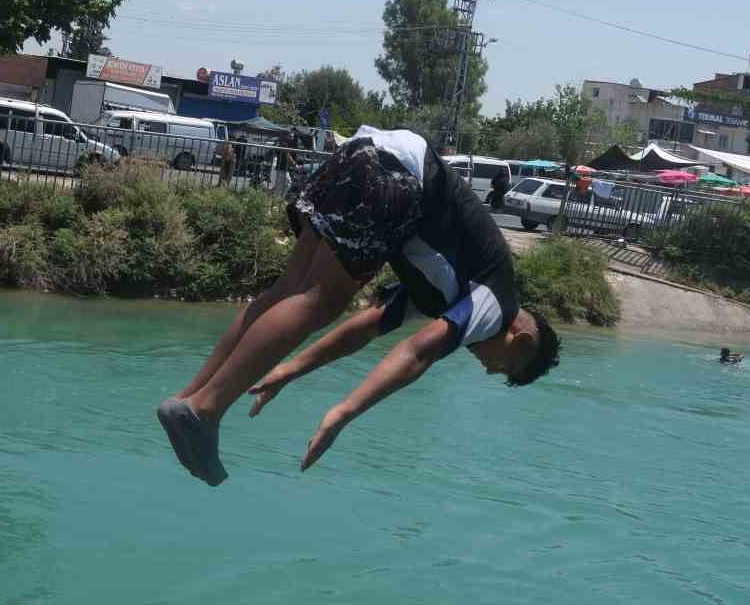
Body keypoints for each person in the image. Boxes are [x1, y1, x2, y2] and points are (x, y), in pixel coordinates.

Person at [157, 125, 561, 486]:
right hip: (398, 175)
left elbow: (368, 327)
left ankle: (188, 399)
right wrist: (343, 414)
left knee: (289, 290)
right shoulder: (497, 303)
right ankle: (205, 411)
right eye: (505, 365)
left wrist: (289, 370)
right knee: (319, 301)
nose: (488, 367)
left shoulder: (455, 289)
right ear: (520, 340)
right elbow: (417, 353)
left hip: (362, 151)